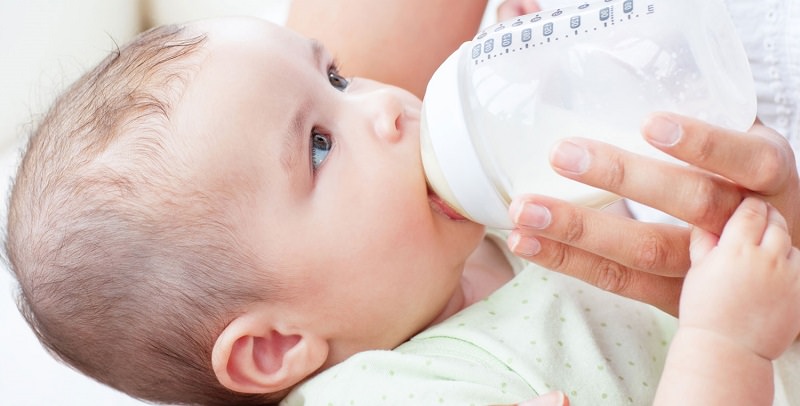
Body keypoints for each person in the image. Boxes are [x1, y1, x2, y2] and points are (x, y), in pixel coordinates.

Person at [5, 15, 800, 406]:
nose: (387, 107)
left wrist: (553, 91)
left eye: (340, 78)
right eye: (319, 144)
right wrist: (726, 343)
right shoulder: (389, 395)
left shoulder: (461, 243)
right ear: (277, 346)